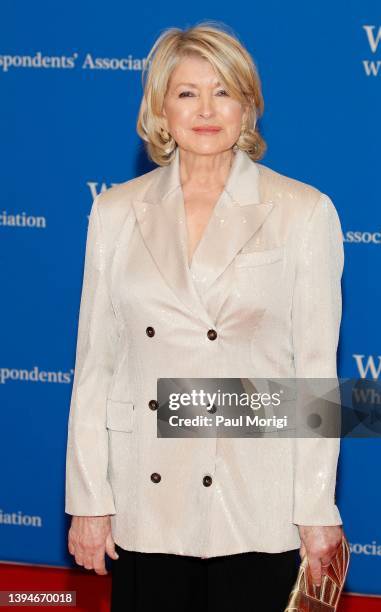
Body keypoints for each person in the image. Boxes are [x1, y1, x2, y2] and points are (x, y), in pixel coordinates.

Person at [65, 21, 345, 611]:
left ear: (248, 106)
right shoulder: (115, 213)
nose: (206, 109)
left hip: (254, 494)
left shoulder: (301, 211)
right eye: (187, 92)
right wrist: (90, 497)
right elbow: (96, 366)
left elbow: (316, 373)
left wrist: (316, 508)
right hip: (146, 494)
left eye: (224, 91)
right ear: (161, 108)